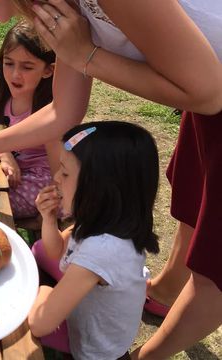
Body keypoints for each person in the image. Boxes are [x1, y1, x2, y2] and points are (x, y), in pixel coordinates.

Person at [0, 0, 222, 357]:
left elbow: (209, 91)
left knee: (216, 261)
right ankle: (163, 292)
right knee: (194, 198)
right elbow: (63, 111)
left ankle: (146, 356)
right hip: (209, 101)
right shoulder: (50, 8)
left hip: (212, 93)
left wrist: (86, 54)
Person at [27, 121, 160, 359]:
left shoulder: (102, 249)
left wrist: (45, 290)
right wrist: (48, 219)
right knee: (38, 251)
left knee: (19, 312)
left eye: (65, 173)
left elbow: (40, 324)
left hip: (89, 350)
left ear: (99, 188)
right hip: (89, 321)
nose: (56, 178)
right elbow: (57, 252)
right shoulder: (108, 219)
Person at [0, 21, 56, 220]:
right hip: (12, 170)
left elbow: (59, 169)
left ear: (48, 70)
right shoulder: (4, 95)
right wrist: (5, 154)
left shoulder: (48, 111)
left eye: (27, 67)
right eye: (9, 63)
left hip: (40, 181)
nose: (15, 74)